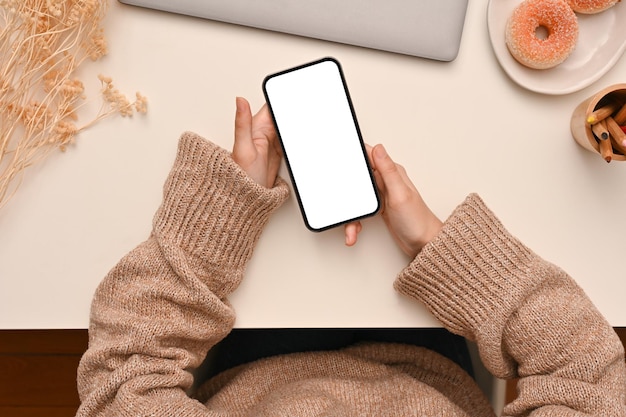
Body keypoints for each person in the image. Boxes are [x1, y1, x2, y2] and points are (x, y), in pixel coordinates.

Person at [76, 97, 626, 416]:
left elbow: (125, 376)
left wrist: (213, 228)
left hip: (253, 375)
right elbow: (590, 378)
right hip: (433, 373)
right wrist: (443, 254)